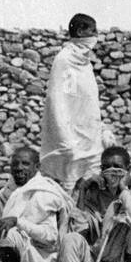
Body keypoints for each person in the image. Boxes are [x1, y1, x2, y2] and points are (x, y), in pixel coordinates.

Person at [41, 13, 109, 193]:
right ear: (80, 31)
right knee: (69, 191)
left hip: (90, 139)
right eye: (92, 31)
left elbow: (87, 102)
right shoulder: (64, 60)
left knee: (91, 191)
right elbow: (58, 100)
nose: (96, 36)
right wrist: (66, 139)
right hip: (72, 141)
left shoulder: (86, 64)